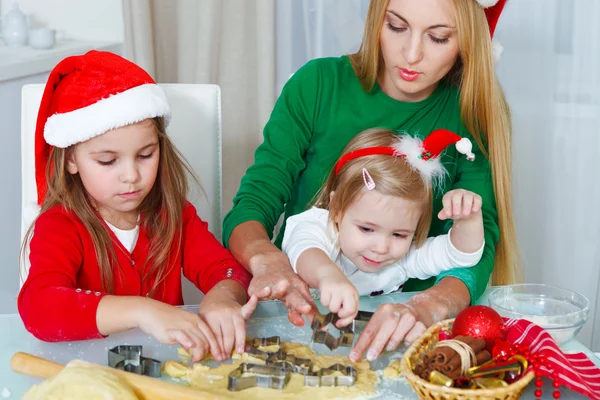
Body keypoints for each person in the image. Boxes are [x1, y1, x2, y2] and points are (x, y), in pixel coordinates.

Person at [223, 0, 520, 362]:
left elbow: (477, 244)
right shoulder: (317, 85)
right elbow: (254, 204)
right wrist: (267, 260)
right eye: (396, 27)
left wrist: (430, 305)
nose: (411, 55)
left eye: (438, 38)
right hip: (305, 316)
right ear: (376, 20)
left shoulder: (473, 110)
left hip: (414, 333)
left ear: (469, 42)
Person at [18, 51, 256, 363]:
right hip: (88, 375)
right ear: (71, 160)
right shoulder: (60, 225)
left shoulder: (174, 214)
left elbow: (228, 270)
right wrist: (143, 311)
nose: (131, 176)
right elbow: (40, 307)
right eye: (107, 160)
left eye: (145, 155)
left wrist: (224, 296)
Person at [282, 128, 485, 327]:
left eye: (399, 234)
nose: (381, 248)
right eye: (367, 229)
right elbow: (304, 247)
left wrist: (468, 219)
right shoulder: (318, 226)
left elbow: (460, 255)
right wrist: (328, 275)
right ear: (336, 209)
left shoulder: (402, 258)